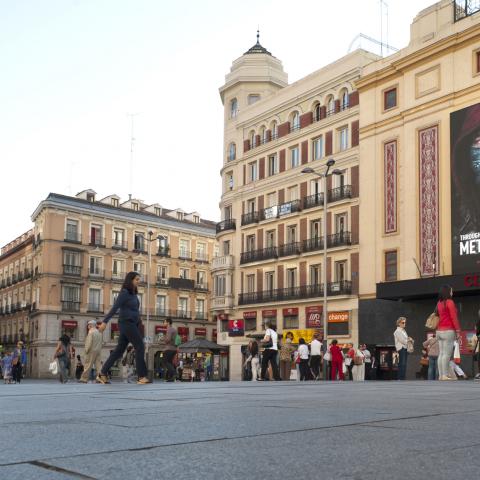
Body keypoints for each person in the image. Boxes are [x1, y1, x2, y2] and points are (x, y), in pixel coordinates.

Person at [97, 271, 150, 384]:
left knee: (119, 350)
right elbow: (115, 308)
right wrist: (105, 322)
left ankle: (102, 374)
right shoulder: (124, 293)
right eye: (136, 279)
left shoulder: (134, 294)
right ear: (130, 280)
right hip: (126, 323)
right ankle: (142, 376)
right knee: (140, 346)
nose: (138, 281)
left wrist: (139, 324)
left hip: (132, 324)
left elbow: (135, 311)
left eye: (138, 279)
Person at [436, 285, 461, 381]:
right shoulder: (450, 302)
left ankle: (441, 375)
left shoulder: (439, 302)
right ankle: (445, 375)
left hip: (439, 331)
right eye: (451, 291)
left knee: (441, 354)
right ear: (447, 292)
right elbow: (453, 318)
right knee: (446, 354)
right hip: (448, 330)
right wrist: (458, 331)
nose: (452, 293)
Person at [163, 318, 177, 382]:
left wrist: (163, 339)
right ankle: (171, 377)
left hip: (169, 348)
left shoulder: (169, 329)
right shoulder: (174, 329)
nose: (164, 323)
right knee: (170, 363)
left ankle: (174, 373)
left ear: (168, 322)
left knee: (166, 362)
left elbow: (168, 340)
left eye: (164, 322)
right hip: (173, 348)